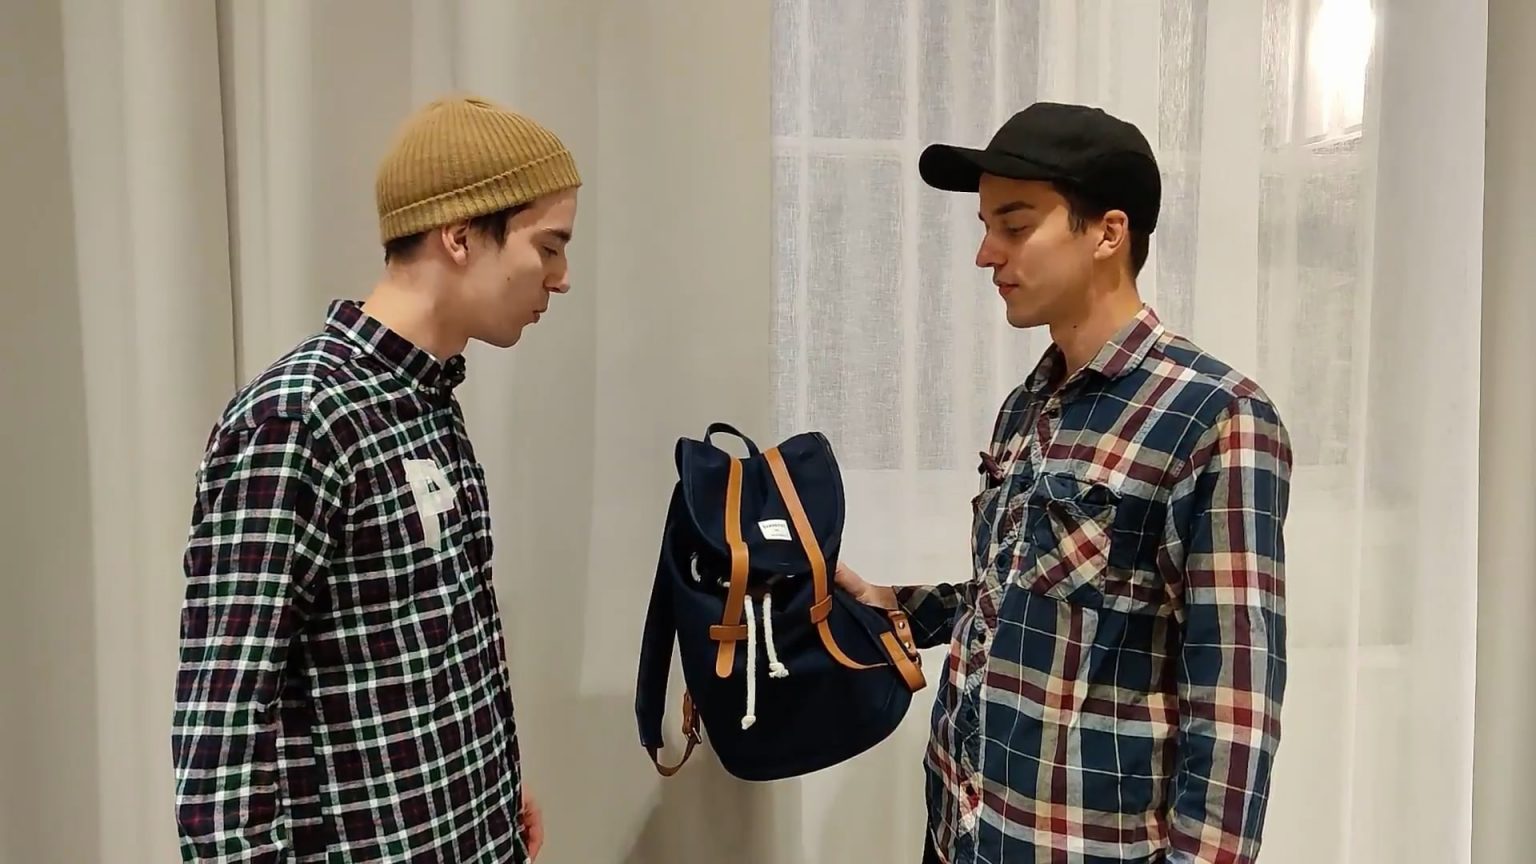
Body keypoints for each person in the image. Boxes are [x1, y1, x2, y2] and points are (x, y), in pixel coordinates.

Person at [835, 102, 1292, 864]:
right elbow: (1025, 595)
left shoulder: (1217, 417)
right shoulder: (1027, 406)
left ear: (1108, 233)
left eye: (1014, 226)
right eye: (986, 226)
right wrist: (900, 607)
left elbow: (1235, 709)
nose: (986, 254)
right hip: (963, 834)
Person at [171, 95, 580, 863]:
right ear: (460, 234)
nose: (560, 278)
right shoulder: (298, 417)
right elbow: (222, 731)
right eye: (548, 247)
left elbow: (409, 659)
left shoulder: (425, 402)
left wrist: (485, 797)